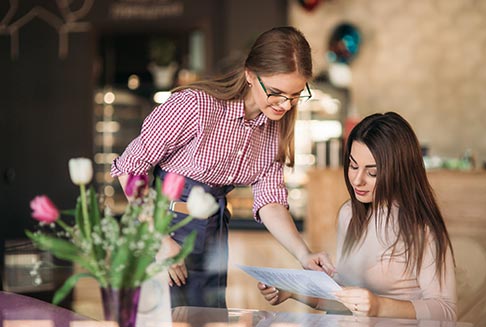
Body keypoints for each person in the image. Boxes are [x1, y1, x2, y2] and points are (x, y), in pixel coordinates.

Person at [111, 26, 334, 308]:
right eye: (277, 92)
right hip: (162, 226)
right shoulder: (195, 106)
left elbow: (271, 201)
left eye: (295, 95)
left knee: (207, 318)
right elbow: (131, 169)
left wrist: (304, 254)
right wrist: (161, 241)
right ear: (250, 74)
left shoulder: (272, 130)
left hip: (212, 235)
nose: (285, 105)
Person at [258, 112, 457, 321]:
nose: (357, 180)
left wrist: (380, 306)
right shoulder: (349, 214)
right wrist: (293, 290)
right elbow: (343, 301)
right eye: (353, 166)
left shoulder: (421, 227)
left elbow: (446, 311)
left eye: (372, 173)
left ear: (399, 171)